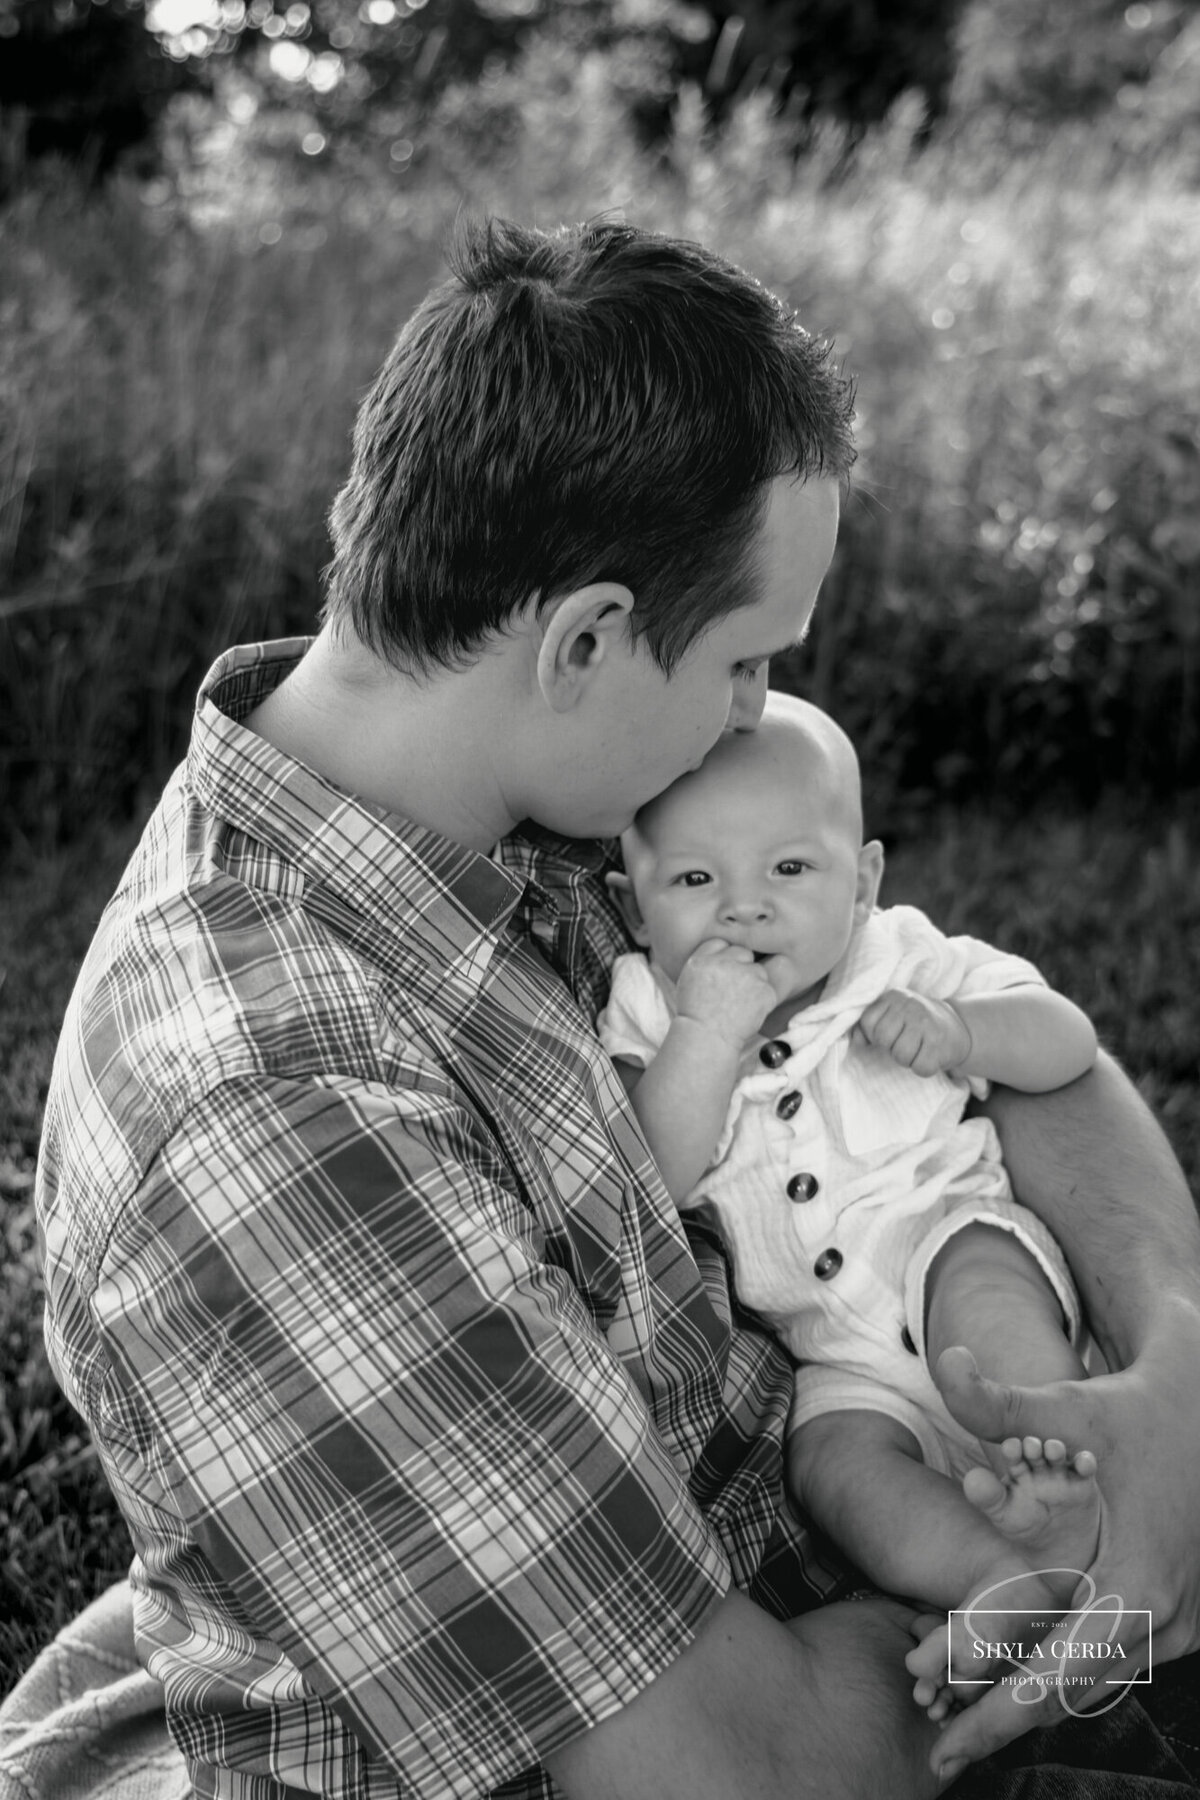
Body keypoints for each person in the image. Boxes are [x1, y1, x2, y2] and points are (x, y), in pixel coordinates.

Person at [33, 217, 1200, 1800]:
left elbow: (988, 1027)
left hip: (875, 1516)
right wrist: (1111, 1603)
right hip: (830, 1695)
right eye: (744, 664)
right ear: (583, 637)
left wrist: (1176, 1362)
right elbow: (759, 1770)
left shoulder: (501, 792)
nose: (756, 719)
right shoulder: (277, 1115)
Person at [597, 692, 1103, 1736]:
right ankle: (998, 1583)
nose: (745, 909)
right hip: (838, 1359)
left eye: (791, 870)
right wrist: (704, 1038)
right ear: (637, 907)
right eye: (696, 881)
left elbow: (1068, 1042)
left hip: (948, 1244)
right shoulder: (650, 1007)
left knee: (986, 1302)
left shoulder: (899, 958)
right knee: (831, 1467)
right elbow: (647, 1174)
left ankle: (1081, 1484)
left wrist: (964, 1030)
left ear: (863, 881)